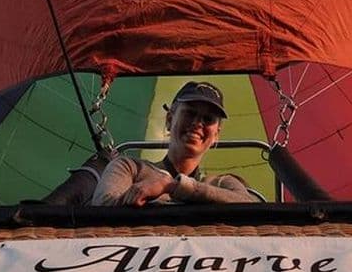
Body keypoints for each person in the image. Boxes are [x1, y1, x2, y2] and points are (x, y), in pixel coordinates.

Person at [91, 82, 259, 206]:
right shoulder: (130, 167)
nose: (198, 123)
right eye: (190, 114)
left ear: (216, 135)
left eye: (208, 119)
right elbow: (101, 208)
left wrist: (171, 185)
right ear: (170, 119)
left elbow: (251, 208)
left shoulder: (222, 183)